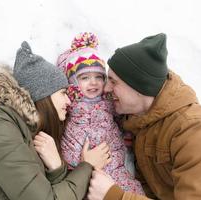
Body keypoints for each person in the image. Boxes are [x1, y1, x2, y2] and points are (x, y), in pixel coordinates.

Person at [0, 41, 111, 200]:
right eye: (62, 93)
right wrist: (87, 166)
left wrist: (56, 168)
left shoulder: (27, 133)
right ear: (42, 95)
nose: (68, 101)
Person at [87, 33, 201, 200]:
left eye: (114, 82)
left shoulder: (191, 128)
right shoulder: (137, 117)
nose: (106, 88)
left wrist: (115, 196)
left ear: (139, 87)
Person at [56, 32, 144, 195]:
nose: (93, 82)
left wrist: (127, 138)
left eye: (98, 76)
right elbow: (64, 134)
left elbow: (122, 121)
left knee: (130, 190)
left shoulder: (109, 100)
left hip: (114, 161)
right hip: (84, 163)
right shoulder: (69, 103)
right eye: (85, 77)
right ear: (73, 82)